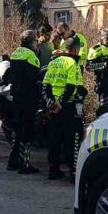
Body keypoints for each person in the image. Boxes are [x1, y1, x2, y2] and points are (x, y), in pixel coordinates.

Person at [43, 37, 87, 181]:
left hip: (52, 107)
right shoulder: (73, 63)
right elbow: (71, 86)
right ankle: (73, 172)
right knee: (71, 139)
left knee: (54, 139)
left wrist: (51, 102)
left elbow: (46, 85)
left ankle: (53, 170)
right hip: (67, 106)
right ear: (76, 49)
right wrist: (60, 103)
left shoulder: (53, 62)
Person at [7, 30, 42, 174]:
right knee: (27, 131)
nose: (37, 44)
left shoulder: (16, 53)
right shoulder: (31, 55)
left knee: (18, 130)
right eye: (36, 41)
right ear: (32, 42)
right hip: (28, 98)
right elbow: (35, 76)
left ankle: (13, 161)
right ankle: (25, 164)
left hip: (16, 97)